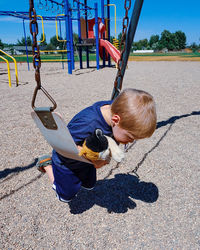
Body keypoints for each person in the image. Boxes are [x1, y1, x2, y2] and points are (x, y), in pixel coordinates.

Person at [36, 88, 157, 202]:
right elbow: (64, 145)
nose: (131, 142)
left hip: (87, 159)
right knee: (66, 195)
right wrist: (94, 161)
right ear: (115, 120)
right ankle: (47, 165)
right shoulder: (87, 123)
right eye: (130, 137)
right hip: (66, 161)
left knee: (89, 184)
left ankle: (80, 174)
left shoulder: (115, 108)